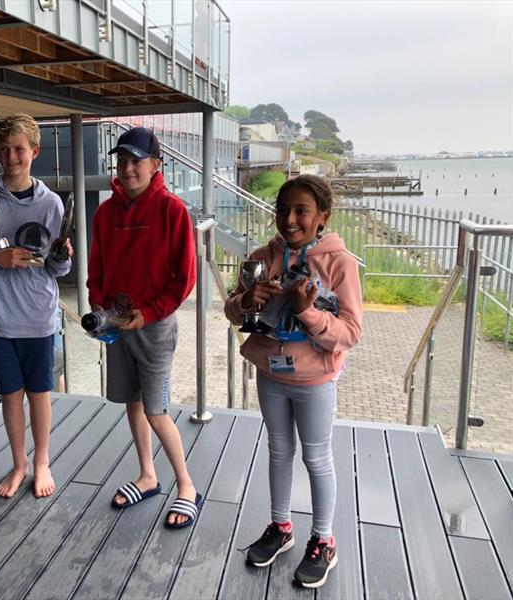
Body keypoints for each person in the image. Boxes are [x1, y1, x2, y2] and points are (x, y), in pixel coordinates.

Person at [224, 175, 362, 588]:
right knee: (279, 450)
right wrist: (248, 300)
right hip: (271, 370)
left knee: (316, 457)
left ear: (323, 216)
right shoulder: (261, 256)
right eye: (282, 209)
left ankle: (324, 540)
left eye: (301, 210)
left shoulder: (340, 263)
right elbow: (233, 311)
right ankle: (281, 527)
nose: (289, 219)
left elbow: (351, 331)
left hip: (315, 378)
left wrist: (307, 312)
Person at [87, 127, 202, 529]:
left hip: (154, 328)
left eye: (138, 161)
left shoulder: (173, 211)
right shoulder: (105, 213)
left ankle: (186, 486)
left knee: (155, 410)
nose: (129, 168)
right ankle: (148, 476)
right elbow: (96, 268)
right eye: (123, 161)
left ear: (156, 165)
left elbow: (184, 280)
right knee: (131, 404)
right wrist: (97, 304)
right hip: (117, 324)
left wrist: (150, 313)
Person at [0, 114, 72, 499]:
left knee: (39, 392)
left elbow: (57, 269)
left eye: (19, 149)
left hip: (39, 314)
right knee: (10, 395)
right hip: (0, 317)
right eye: (4, 149)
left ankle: (42, 462)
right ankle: (20, 463)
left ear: (34, 152)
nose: (10, 157)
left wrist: (61, 256)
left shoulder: (52, 204)